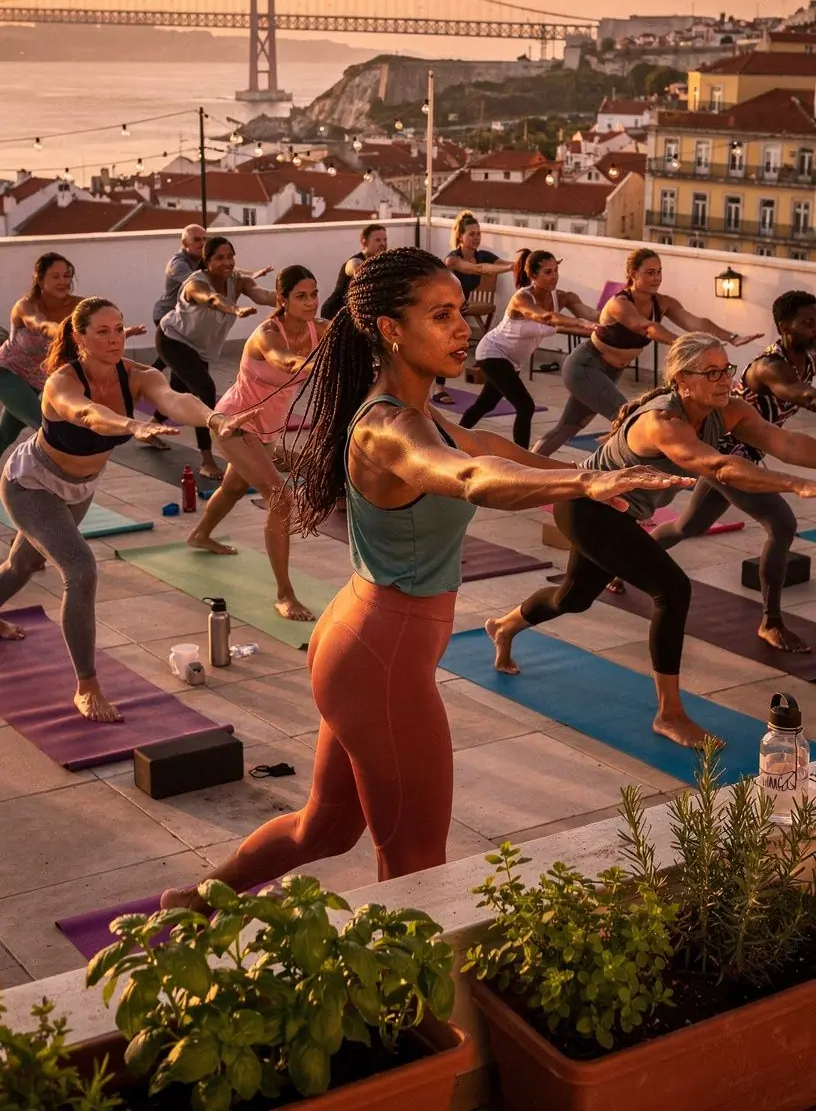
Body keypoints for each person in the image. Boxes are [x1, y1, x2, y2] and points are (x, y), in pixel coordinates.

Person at [161, 247, 686, 908]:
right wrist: (582, 479)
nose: (462, 327)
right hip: (381, 658)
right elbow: (471, 477)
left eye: (460, 311)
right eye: (441, 315)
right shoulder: (389, 428)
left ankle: (198, 898)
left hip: (359, 642)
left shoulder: (419, 412)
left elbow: (494, 452)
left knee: (324, 827)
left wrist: (585, 478)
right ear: (389, 329)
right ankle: (412, 1011)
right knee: (416, 864)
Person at [486, 332, 816, 748]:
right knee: (673, 589)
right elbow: (719, 466)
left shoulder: (727, 409)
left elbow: (785, 441)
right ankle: (670, 714)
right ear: (682, 380)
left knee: (573, 597)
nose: (724, 380)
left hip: (619, 514)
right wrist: (797, 485)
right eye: (711, 372)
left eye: (727, 369)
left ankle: (503, 625)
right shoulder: (663, 423)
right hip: (588, 508)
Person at [0, 298, 249, 717]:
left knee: (23, 565)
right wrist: (133, 424)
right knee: (80, 571)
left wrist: (213, 419)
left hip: (79, 489)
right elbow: (90, 414)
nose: (114, 339)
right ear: (79, 337)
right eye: (102, 331)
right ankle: (87, 685)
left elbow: (172, 399)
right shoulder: (63, 382)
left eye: (118, 329)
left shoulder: (136, 376)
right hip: (30, 484)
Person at [652, 290, 816, 653]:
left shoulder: (807, 355)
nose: (814, 329)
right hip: (725, 454)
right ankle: (770, 622)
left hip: (749, 450)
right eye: (807, 323)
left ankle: (621, 562)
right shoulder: (769, 366)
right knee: (783, 524)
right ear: (783, 327)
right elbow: (806, 397)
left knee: (688, 526)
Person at [187, 265, 329, 621]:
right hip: (235, 422)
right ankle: (284, 594)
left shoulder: (321, 329)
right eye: (301, 296)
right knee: (280, 499)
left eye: (314, 294)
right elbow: (285, 361)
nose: (311, 302)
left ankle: (200, 534)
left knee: (234, 487)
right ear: (282, 300)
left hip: (267, 431)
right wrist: (315, 365)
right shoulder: (267, 333)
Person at [532, 247, 762, 456]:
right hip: (585, 366)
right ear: (632, 273)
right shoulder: (618, 303)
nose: (656, 278)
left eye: (659, 272)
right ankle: (626, 476)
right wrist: (689, 348)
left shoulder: (662, 303)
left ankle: (530, 466)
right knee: (631, 420)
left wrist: (731, 337)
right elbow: (648, 328)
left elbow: (696, 322)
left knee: (569, 426)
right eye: (650, 273)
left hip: (609, 372)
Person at [155, 236, 279, 479]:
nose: (227, 262)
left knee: (180, 388)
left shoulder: (239, 281)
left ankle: (152, 425)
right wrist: (235, 309)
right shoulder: (195, 284)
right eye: (220, 258)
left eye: (230, 256)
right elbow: (212, 299)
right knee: (204, 390)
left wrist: (293, 297)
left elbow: (262, 294)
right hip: (173, 340)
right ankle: (207, 460)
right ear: (206, 261)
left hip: (198, 348)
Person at [0, 253, 144, 458]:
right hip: (8, 373)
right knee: (45, 426)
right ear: (40, 279)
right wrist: (58, 330)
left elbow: (96, 327)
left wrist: (121, 332)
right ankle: (42, 479)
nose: (63, 282)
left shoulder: (79, 306)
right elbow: (39, 323)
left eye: (67, 276)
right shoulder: (26, 305)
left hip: (40, 380)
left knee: (4, 436)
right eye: (55, 276)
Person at [459, 248, 599, 447]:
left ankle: (451, 439)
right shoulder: (522, 298)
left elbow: (593, 315)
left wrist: (617, 316)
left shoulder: (563, 297)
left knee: (486, 404)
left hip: (512, 361)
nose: (554, 276)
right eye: (548, 272)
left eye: (556, 270)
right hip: (493, 352)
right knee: (526, 406)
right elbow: (545, 317)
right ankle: (522, 458)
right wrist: (579, 323)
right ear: (533, 275)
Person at [432, 211, 514, 406]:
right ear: (460, 236)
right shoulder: (452, 259)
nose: (476, 238)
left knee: (452, 345)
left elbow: (506, 264)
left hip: (459, 308)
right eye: (472, 234)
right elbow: (479, 270)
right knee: (444, 345)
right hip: (440, 307)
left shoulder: (482, 255)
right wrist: (512, 267)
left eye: (478, 233)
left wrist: (527, 263)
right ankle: (438, 389)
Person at [320, 223, 388, 320]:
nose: (383, 244)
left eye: (385, 240)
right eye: (378, 240)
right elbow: (353, 264)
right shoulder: (356, 260)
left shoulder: (381, 263)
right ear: (364, 243)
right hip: (335, 312)